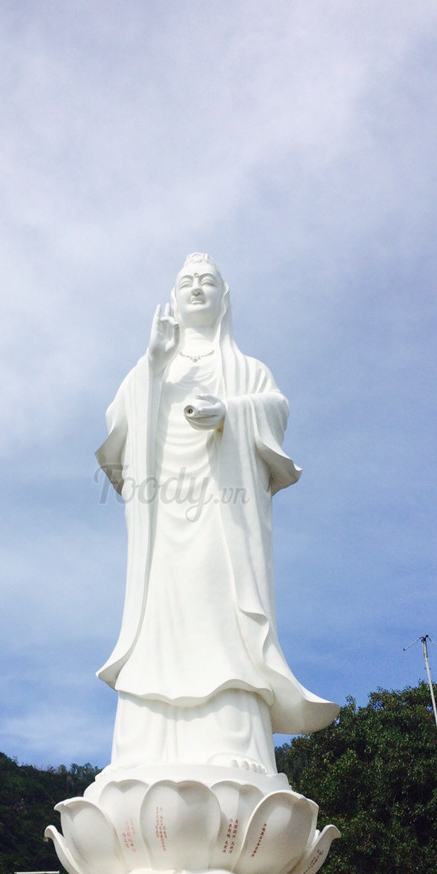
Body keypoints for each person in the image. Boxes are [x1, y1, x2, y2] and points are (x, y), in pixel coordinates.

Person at [96, 254, 338, 773]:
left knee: (220, 614)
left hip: (223, 515)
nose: (196, 288)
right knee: (160, 618)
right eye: (186, 282)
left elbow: (275, 409)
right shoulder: (152, 365)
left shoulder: (248, 370)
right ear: (173, 297)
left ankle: (232, 741)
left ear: (224, 297)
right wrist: (153, 364)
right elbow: (118, 427)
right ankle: (144, 750)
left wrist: (231, 413)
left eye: (207, 281)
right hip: (163, 515)